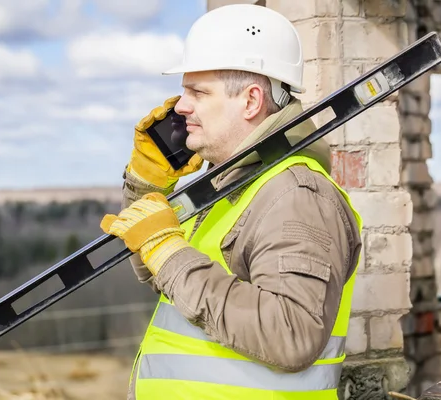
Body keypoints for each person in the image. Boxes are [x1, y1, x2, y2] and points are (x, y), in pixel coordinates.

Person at [100, 4, 363, 400]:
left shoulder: (295, 195)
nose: (180, 106)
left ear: (251, 100)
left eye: (197, 93)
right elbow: (169, 280)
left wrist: (168, 251)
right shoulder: (232, 186)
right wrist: (145, 186)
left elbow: (292, 334)